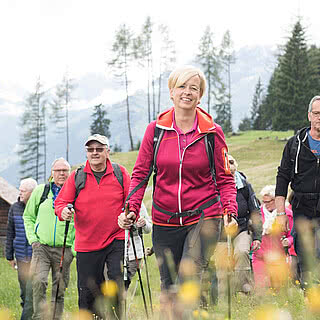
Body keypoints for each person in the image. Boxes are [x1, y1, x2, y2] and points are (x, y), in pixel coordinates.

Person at [118, 66, 238, 315]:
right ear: (171, 92)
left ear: (200, 95)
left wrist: (230, 209)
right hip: (165, 220)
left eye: (193, 88)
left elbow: (226, 178)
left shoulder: (212, 133)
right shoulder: (156, 131)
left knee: (188, 279)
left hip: (204, 217)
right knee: (170, 286)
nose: (187, 92)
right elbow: (141, 174)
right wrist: (131, 207)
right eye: (182, 86)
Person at [55, 134, 130, 319]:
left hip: (116, 238)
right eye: (90, 149)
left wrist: (130, 214)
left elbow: (132, 200)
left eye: (99, 149)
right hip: (87, 243)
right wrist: (63, 211)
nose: (94, 152)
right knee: (88, 292)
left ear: (107, 151)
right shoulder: (77, 176)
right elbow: (61, 202)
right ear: (86, 152)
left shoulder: (120, 173)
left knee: (116, 283)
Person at [276, 95, 320, 290]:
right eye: (317, 113)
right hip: (302, 206)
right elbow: (282, 177)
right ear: (309, 115)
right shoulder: (295, 144)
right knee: (303, 254)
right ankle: (309, 296)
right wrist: (280, 213)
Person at [23, 158, 75, 320]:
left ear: (69, 173)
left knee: (59, 288)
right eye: (57, 170)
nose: (61, 173)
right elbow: (28, 217)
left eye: (65, 170)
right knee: (39, 281)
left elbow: (84, 222)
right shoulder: (41, 191)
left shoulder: (76, 193)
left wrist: (74, 247)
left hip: (65, 249)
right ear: (51, 173)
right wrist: (34, 240)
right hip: (42, 247)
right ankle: (39, 317)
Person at [213, 155, 262, 299]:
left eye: (232, 163)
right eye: (226, 164)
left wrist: (257, 236)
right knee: (221, 262)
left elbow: (255, 211)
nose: (230, 167)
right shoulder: (212, 186)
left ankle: (243, 291)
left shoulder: (245, 185)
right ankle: (224, 297)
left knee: (241, 252)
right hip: (220, 231)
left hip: (241, 228)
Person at [6, 178, 37, 320]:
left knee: (31, 292)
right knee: (24, 292)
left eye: (23, 191)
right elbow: (10, 232)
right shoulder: (14, 207)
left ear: (32, 193)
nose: (20, 193)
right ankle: (31, 313)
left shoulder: (39, 208)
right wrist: (9, 256)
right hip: (20, 257)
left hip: (36, 257)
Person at [252, 185, 294, 290]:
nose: (265, 205)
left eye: (268, 202)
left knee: (279, 289)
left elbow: (293, 234)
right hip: (260, 257)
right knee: (262, 288)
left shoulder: (287, 214)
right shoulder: (258, 214)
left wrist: (288, 241)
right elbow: (252, 233)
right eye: (263, 202)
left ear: (276, 200)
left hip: (279, 257)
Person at [125, 202, 152, 290]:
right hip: (111, 250)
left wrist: (143, 224)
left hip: (133, 254)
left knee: (123, 286)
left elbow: (148, 228)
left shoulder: (137, 202)